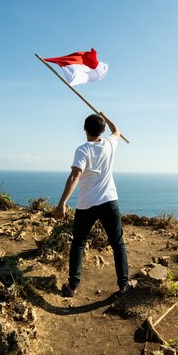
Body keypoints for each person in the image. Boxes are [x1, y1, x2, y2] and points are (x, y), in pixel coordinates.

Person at [54, 112, 136, 297]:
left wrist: (63, 203)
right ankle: (124, 285)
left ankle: (72, 286)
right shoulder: (109, 143)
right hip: (109, 201)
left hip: (87, 204)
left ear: (84, 129)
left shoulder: (83, 150)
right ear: (102, 129)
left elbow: (75, 175)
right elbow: (116, 130)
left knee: (78, 244)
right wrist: (105, 116)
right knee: (117, 243)